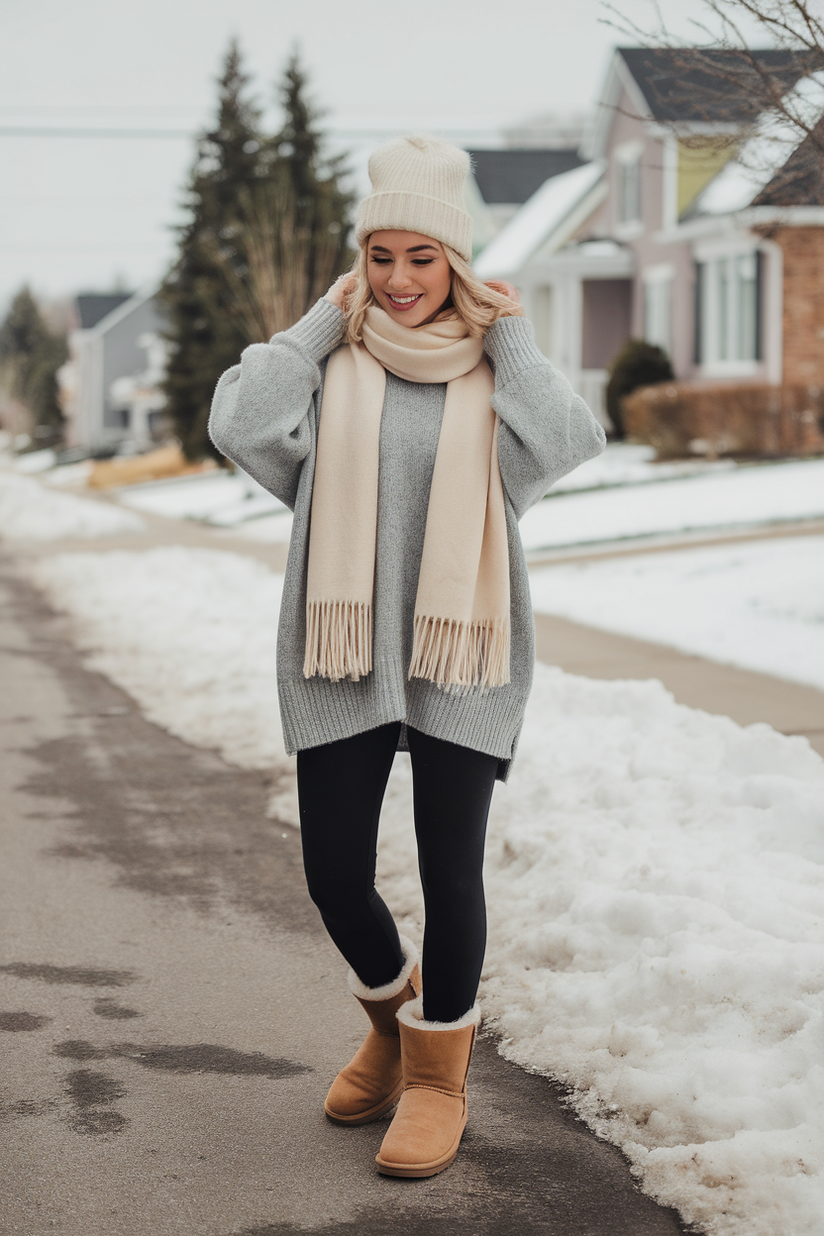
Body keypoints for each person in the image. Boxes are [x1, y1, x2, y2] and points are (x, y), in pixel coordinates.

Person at [209, 134, 606, 1178]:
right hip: (341, 650)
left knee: (448, 869)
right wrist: (316, 319)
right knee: (334, 871)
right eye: (378, 256)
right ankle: (391, 1024)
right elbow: (238, 418)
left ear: (455, 262)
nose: (397, 281)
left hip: (458, 651)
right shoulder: (331, 365)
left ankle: (438, 1078)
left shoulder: (492, 375)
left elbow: (567, 440)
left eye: (420, 258)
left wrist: (510, 338)